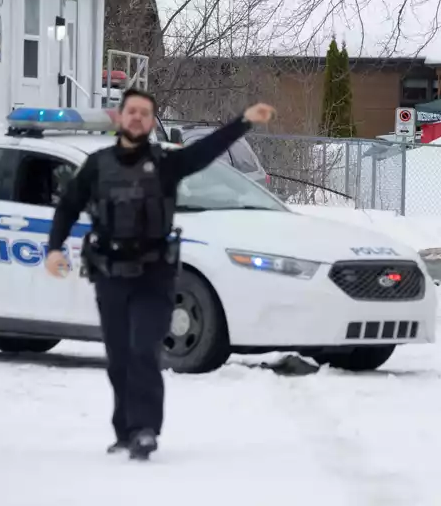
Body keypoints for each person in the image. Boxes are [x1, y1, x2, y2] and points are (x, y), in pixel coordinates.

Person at [44, 88, 276, 460]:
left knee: (143, 351)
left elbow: (206, 150)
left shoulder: (165, 164)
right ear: (120, 118)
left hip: (155, 275)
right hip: (110, 274)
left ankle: (145, 429)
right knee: (119, 357)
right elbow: (68, 206)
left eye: (144, 113)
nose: (137, 117)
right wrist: (54, 248)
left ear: (152, 122)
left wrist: (245, 121)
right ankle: (124, 430)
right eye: (131, 111)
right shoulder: (97, 165)